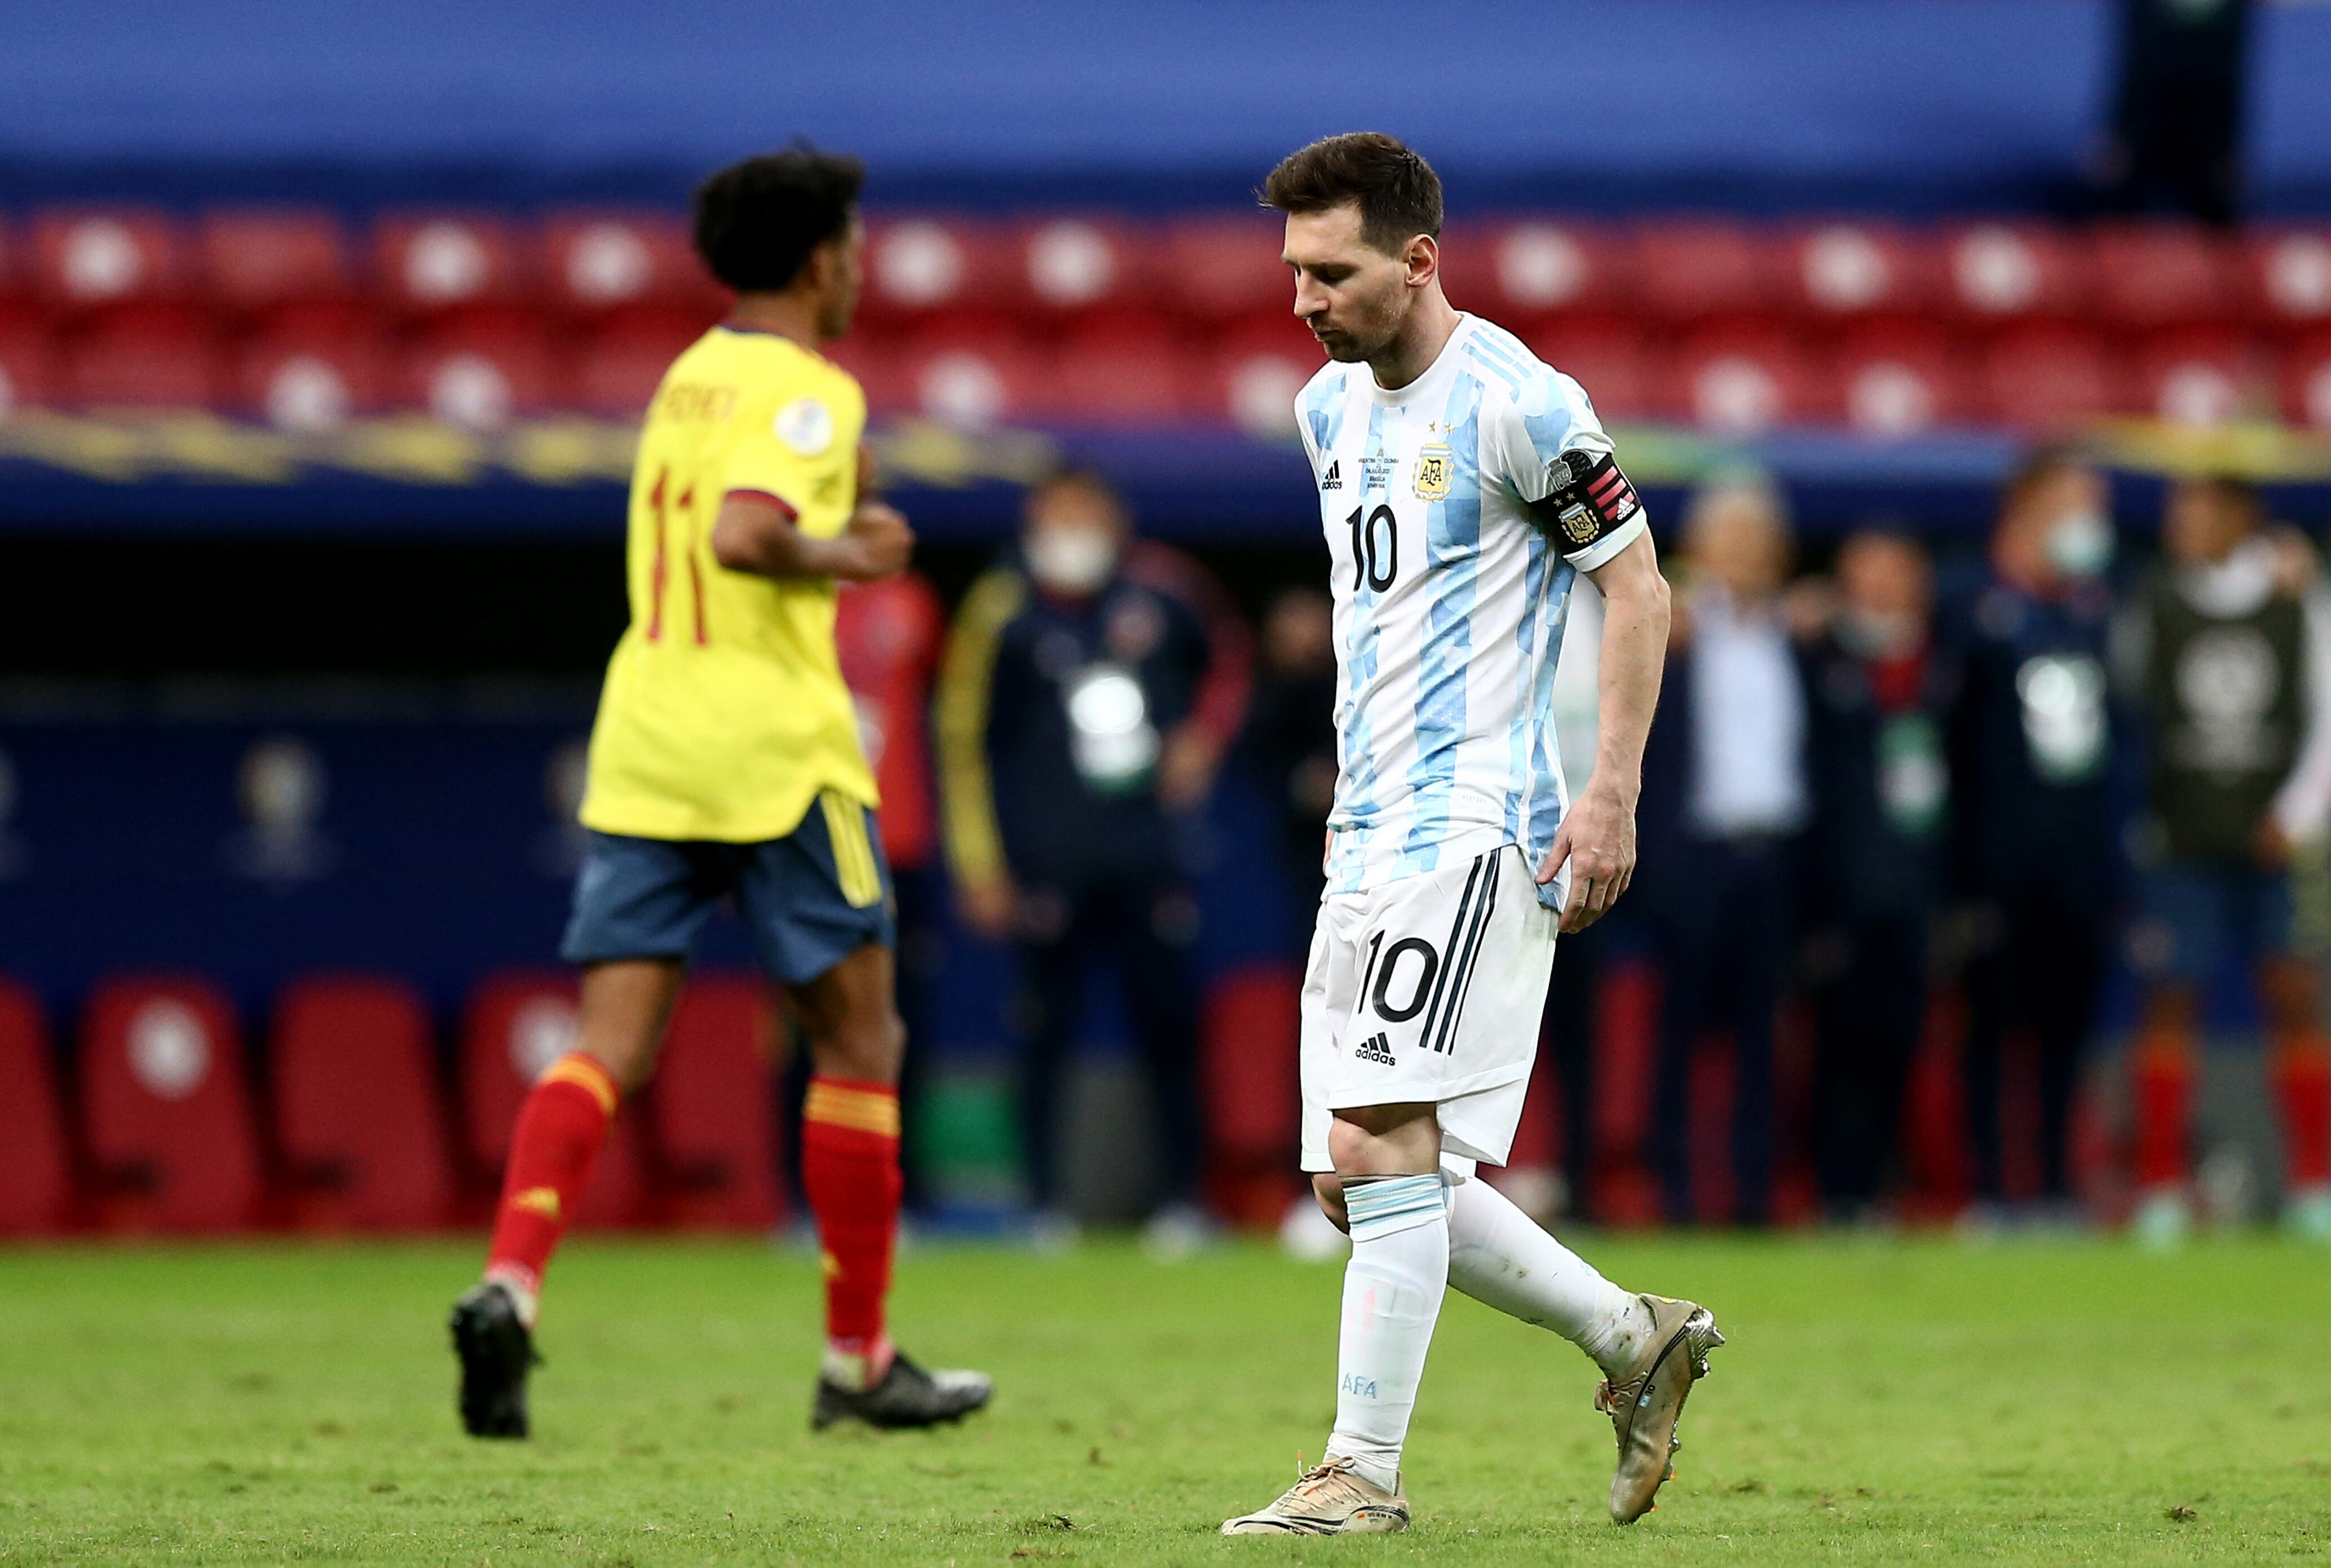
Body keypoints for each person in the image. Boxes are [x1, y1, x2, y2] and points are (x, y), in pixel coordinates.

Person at [447, 147, 990, 1439]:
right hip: (771, 754)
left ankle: (511, 1284)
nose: (858, 268)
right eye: (851, 247)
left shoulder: (685, 378)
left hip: (646, 737)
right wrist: (847, 551)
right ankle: (859, 1362)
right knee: (860, 1038)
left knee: (609, 1044)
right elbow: (744, 534)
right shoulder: (808, 392)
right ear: (819, 260)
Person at [1223, 132, 1719, 1539]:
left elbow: (1638, 590)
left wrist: (1607, 787)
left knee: (1381, 1137)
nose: (1304, 301)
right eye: (1292, 275)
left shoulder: (1521, 404)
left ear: (1418, 258)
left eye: (1331, 273)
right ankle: (1634, 1337)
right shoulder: (1325, 411)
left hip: (1470, 823)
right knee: (1356, 1177)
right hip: (1364, 827)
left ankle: (1356, 1476)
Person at [935, 467, 1248, 1253]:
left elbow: (1230, 661)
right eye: (1056, 515)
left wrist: (1202, 743)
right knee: (1044, 1032)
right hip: (1050, 865)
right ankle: (1042, 1203)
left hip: (1148, 856)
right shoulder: (1001, 611)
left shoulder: (1163, 591)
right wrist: (983, 867)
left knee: (1170, 1030)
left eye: (1084, 514)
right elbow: (964, 742)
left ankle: (1184, 1202)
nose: (1071, 531)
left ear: (1113, 520)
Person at [2122, 474, 2331, 1246]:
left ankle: (2313, 1184)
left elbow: (2324, 711)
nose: (2181, 522)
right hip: (2181, 838)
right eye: (2176, 508)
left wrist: (2297, 815)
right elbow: (2133, 714)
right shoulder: (2154, 601)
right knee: (2170, 997)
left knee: (2293, 992)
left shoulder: (2296, 596)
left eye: (2199, 508)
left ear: (2243, 516)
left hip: (2270, 838)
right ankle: (2160, 1188)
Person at [1940, 446, 2123, 1225]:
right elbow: (1946, 747)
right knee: (1989, 1030)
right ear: (2030, 509)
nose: (2093, 525)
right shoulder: (1968, 605)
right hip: (1994, 866)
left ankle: (2053, 1184)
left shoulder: (2093, 612)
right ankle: (1987, 1189)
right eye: (2079, 505)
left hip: (2077, 865)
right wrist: (1958, 875)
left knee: (2063, 1032)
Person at [1638, 474, 1807, 1227]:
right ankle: (1670, 1190)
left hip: (1771, 855)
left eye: (1756, 542)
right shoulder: (1666, 629)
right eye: (1727, 540)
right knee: (1675, 1036)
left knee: (1760, 1036)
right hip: (1694, 857)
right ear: (1696, 549)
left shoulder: (1795, 635)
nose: (1741, 556)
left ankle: (1751, 1194)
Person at [1802, 531, 1954, 1221]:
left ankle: (1885, 1188)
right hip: (1843, 892)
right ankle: (1839, 1190)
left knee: (1903, 1040)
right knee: (1840, 1047)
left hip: (1918, 888)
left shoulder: (1948, 658)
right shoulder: (1817, 658)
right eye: (1869, 574)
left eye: (1898, 573)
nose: (1885, 588)